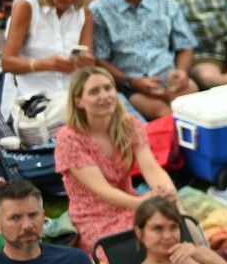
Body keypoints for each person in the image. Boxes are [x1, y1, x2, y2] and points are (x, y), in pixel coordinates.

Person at [58, 66, 177, 253]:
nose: (104, 95)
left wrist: (168, 193)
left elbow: (152, 168)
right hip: (95, 217)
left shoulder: (129, 124)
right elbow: (103, 191)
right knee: (144, 245)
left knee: (177, 221)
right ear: (79, 101)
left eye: (108, 88)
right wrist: (144, 204)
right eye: (94, 91)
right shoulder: (69, 138)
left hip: (132, 203)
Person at [89, 0, 198, 121]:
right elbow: (100, 60)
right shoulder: (99, 11)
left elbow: (185, 44)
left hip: (168, 76)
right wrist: (132, 82)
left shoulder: (164, 1)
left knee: (193, 107)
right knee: (165, 115)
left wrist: (182, 72)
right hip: (131, 83)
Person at [1, 0, 95, 133]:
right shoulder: (27, 7)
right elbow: (8, 62)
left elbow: (87, 61)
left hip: (70, 98)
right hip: (31, 100)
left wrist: (85, 63)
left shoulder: (84, 13)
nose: (71, 0)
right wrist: (44, 64)